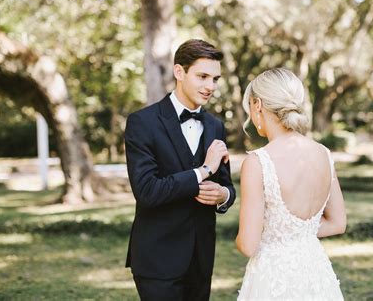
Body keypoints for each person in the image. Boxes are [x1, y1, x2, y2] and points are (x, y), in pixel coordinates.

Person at [124, 39, 236, 301]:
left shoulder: (215, 126)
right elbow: (147, 191)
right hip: (157, 258)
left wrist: (223, 196)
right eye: (203, 76)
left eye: (215, 79)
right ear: (179, 72)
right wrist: (204, 169)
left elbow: (227, 186)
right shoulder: (143, 122)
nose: (210, 87)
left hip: (201, 258)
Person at [236, 68, 346, 300]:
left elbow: (247, 245)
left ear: (258, 105)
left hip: (273, 277)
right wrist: (295, 234)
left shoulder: (258, 163)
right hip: (315, 271)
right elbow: (337, 223)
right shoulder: (323, 154)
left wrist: (277, 235)